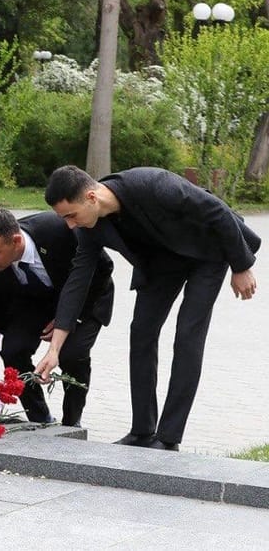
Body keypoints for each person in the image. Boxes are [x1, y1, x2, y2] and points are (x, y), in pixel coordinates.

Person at [43, 165, 260, 451]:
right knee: (141, 332)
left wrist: (241, 265)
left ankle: (168, 438)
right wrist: (55, 348)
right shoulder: (90, 226)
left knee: (187, 336)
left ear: (92, 198)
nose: (69, 224)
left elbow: (217, 210)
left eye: (71, 215)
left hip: (207, 253)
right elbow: (78, 279)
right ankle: (142, 431)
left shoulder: (152, 183)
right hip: (161, 264)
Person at [0, 207, 115, 426]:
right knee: (13, 351)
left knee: (72, 354)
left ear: (16, 241)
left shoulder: (57, 230)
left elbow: (104, 268)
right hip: (36, 301)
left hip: (86, 298)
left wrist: (69, 317)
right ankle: (41, 419)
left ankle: (72, 423)